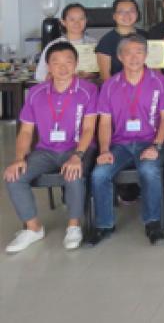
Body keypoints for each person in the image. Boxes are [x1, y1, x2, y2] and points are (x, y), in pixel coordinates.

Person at [4, 42, 97, 253]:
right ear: (48, 65)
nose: (62, 67)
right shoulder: (36, 93)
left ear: (76, 64)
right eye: (56, 62)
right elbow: (26, 131)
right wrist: (19, 158)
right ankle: (33, 227)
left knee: (73, 172)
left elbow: (89, 128)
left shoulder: (88, 90)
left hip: (77, 148)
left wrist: (77, 156)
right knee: (14, 176)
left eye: (68, 62)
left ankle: (73, 226)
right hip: (45, 151)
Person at [87, 34, 164, 246]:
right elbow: (105, 122)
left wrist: (156, 145)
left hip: (151, 142)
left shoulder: (160, 82)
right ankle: (104, 224)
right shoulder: (109, 85)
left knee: (148, 169)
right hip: (120, 145)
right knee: (99, 174)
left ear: (146, 55)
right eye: (128, 52)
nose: (134, 57)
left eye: (139, 52)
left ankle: (153, 223)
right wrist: (105, 150)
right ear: (119, 56)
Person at [35, 3, 98, 82]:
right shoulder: (54, 45)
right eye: (72, 19)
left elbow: (101, 72)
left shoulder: (94, 44)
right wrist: (61, 74)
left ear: (86, 20)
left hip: (88, 90)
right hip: (62, 91)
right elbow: (40, 75)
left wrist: (91, 75)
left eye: (81, 19)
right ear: (63, 22)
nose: (77, 23)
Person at [95, 0, 148, 80]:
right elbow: (105, 77)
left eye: (131, 11)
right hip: (118, 90)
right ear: (114, 16)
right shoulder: (106, 41)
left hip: (147, 88)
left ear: (137, 14)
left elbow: (155, 67)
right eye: (121, 11)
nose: (127, 15)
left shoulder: (147, 37)